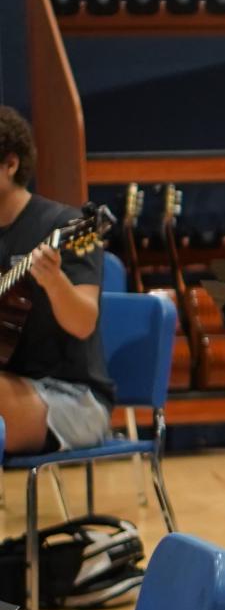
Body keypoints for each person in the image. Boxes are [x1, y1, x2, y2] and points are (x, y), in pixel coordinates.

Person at [0, 106, 110, 455]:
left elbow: (83, 323)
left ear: (10, 165)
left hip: (74, 399)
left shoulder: (67, 227)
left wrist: (54, 281)